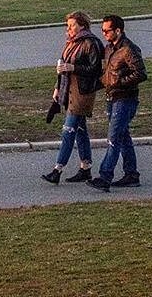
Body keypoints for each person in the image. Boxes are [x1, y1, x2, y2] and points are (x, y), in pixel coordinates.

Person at [42, 11, 104, 185]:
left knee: (68, 131)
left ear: (82, 25)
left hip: (82, 92)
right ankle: (86, 167)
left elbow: (95, 70)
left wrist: (72, 68)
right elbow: (63, 67)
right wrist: (57, 87)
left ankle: (57, 169)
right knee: (80, 130)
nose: (68, 28)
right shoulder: (71, 43)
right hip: (68, 90)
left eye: (72, 25)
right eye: (68, 25)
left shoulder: (90, 43)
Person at [87, 15, 147, 192]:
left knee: (113, 138)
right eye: (103, 30)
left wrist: (120, 82)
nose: (104, 33)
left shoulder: (128, 49)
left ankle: (105, 176)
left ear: (118, 31)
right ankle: (131, 174)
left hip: (125, 99)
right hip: (112, 97)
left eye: (107, 30)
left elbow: (141, 73)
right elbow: (108, 73)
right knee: (123, 136)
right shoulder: (109, 49)